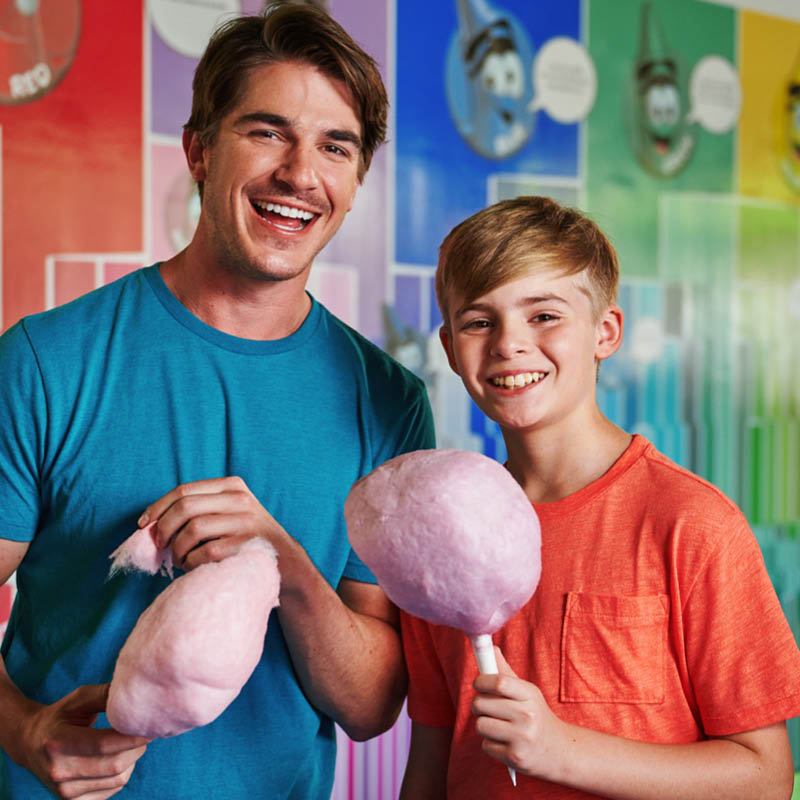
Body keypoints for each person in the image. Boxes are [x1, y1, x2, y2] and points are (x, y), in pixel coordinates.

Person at [0, 5, 434, 799]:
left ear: (356, 182)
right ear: (199, 150)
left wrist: (289, 569)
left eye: (335, 147)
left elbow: (373, 705)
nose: (301, 174)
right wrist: (23, 733)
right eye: (266, 132)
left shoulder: (389, 401)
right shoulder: (45, 360)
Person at [399, 195, 800, 800]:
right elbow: (432, 760)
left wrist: (561, 752)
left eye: (544, 316)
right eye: (480, 321)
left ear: (605, 332)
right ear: (451, 348)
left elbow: (764, 778)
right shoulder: (442, 538)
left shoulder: (692, 525)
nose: (510, 343)